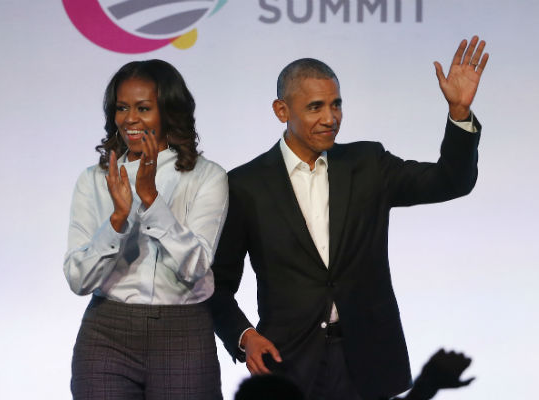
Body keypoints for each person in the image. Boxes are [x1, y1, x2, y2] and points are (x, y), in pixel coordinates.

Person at [208, 37, 489, 400]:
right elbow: (215, 284)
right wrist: (245, 337)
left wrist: (460, 114)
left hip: (368, 359)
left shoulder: (368, 164)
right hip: (289, 363)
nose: (330, 118)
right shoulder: (244, 185)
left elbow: (452, 181)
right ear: (282, 110)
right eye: (315, 107)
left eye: (336, 104)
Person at [64, 59, 228, 399]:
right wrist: (117, 220)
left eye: (143, 108)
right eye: (122, 108)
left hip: (182, 332)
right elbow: (79, 280)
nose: (130, 119)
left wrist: (151, 200)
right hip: (107, 333)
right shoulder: (94, 180)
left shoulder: (206, 176)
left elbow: (197, 265)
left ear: (169, 111)